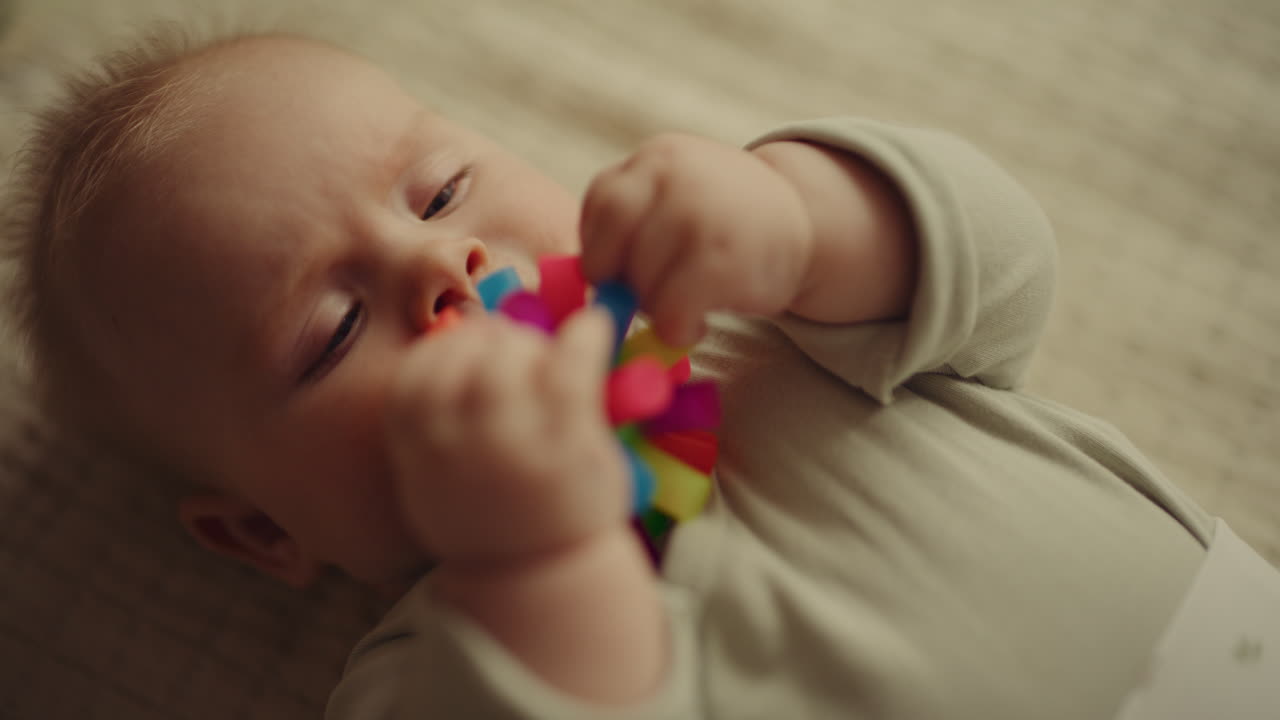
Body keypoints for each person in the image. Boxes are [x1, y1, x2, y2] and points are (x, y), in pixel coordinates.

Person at [5, 27, 1276, 720]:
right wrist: (535, 558)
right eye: (332, 333)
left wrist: (797, 215)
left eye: (440, 190)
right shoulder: (427, 671)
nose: (438, 265)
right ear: (262, 531)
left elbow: (1001, 276)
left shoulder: (771, 330)